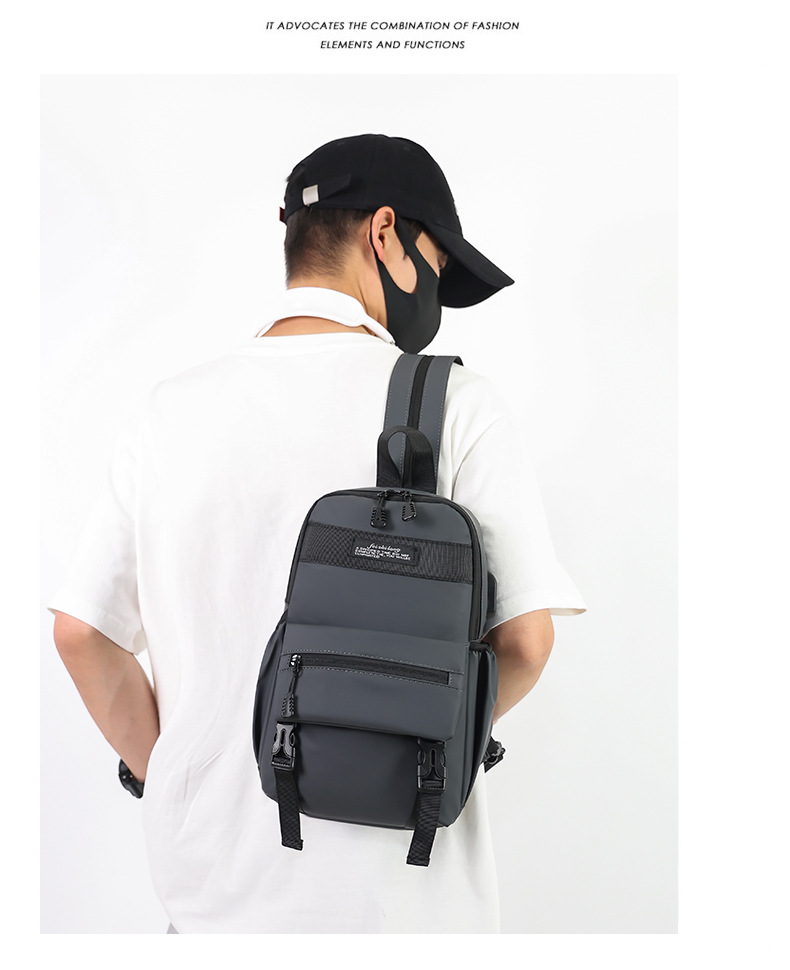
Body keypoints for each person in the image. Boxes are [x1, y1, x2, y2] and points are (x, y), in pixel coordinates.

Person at [49, 133, 587, 934]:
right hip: (402, 909)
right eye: (437, 262)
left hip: (208, 905)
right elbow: (527, 645)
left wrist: (177, 780)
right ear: (384, 234)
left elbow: (81, 634)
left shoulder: (169, 412)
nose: (435, 290)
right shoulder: (455, 405)